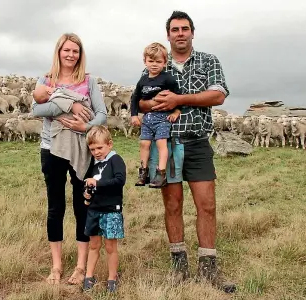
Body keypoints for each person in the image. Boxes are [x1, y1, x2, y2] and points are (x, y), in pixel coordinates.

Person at [137, 11, 236, 293]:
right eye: (175, 29)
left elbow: (218, 95)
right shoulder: (155, 64)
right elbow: (141, 102)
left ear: (192, 33)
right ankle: (179, 269)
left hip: (197, 143)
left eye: (185, 29)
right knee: (173, 205)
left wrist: (179, 99)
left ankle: (208, 268)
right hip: (166, 144)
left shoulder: (208, 61)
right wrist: (153, 102)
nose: (180, 33)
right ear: (168, 35)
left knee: (207, 205)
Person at [31, 33, 107, 286]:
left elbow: (102, 115)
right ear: (59, 52)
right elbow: (37, 110)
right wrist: (71, 104)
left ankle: (81, 265)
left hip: (82, 150)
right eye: (67, 50)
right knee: (55, 207)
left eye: (76, 51)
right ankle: (56, 265)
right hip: (51, 148)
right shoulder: (46, 80)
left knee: (81, 205)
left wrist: (84, 126)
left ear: (80, 54)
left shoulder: (89, 81)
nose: (71, 55)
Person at [130, 42, 182, 188]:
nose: (154, 64)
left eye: (158, 61)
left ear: (165, 62)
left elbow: (178, 96)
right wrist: (134, 115)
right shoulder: (143, 80)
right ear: (145, 61)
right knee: (144, 143)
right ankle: (143, 172)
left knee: (161, 144)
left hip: (163, 118)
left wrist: (177, 111)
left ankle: (161, 173)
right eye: (151, 61)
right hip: (147, 119)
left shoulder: (168, 79)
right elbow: (135, 98)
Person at [81, 125, 126, 293]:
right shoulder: (93, 164)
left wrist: (97, 183)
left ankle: (112, 278)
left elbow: (119, 181)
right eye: (92, 149)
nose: (96, 152)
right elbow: (88, 186)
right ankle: (89, 275)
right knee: (94, 245)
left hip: (111, 211)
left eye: (99, 148)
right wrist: (86, 194)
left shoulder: (115, 160)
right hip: (94, 210)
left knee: (110, 246)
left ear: (110, 144)